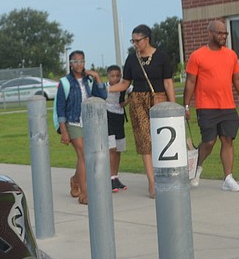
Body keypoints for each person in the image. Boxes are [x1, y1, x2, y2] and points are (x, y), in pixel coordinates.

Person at [183, 20, 239, 191]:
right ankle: (196, 168)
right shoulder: (197, 56)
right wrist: (185, 106)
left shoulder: (231, 55)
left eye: (225, 33)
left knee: (227, 140)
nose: (223, 36)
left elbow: (237, 79)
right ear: (210, 33)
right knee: (209, 141)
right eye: (220, 33)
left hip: (228, 106)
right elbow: (191, 82)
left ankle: (228, 178)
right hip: (206, 106)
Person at [108, 24, 176, 199]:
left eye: (137, 41)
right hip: (138, 102)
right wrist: (107, 90)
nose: (135, 44)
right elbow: (125, 83)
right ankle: (152, 181)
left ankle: (165, 175)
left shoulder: (161, 57)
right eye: (133, 41)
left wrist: (174, 106)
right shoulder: (132, 59)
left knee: (162, 139)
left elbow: (168, 82)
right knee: (145, 141)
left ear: (147, 39)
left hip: (159, 100)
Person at [56, 50, 107, 205]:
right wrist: (64, 131)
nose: (79, 64)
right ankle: (84, 194)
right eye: (75, 61)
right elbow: (60, 108)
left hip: (89, 122)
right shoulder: (65, 82)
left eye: (82, 61)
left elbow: (102, 95)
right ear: (70, 64)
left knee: (84, 157)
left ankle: (75, 180)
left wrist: (97, 76)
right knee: (84, 155)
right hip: (73, 122)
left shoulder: (89, 80)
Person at [105, 65, 128, 192]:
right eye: (112, 76)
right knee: (112, 149)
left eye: (118, 75)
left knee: (118, 149)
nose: (115, 78)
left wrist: (128, 100)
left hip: (119, 118)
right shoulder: (104, 88)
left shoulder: (125, 87)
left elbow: (123, 102)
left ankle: (115, 177)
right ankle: (109, 177)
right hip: (108, 118)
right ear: (108, 76)